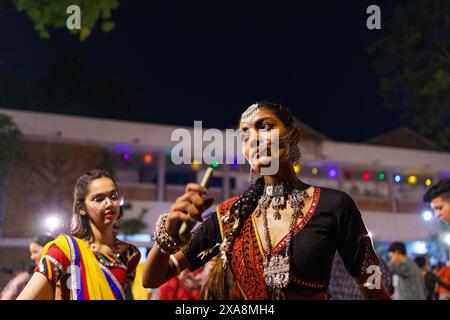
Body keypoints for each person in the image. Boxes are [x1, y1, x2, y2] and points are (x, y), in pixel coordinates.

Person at [142, 102, 391, 300]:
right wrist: (170, 230)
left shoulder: (335, 205)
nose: (254, 139)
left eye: (265, 126)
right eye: (245, 134)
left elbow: (370, 282)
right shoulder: (231, 215)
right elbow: (153, 279)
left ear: (294, 135)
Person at [18, 169, 141, 300]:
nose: (109, 203)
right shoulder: (65, 249)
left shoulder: (129, 254)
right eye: (99, 199)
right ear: (82, 208)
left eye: (113, 197)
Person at [1, 234, 54, 300]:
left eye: (35, 252)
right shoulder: (26, 277)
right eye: (31, 253)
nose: (32, 257)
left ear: (47, 250)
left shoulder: (54, 274)